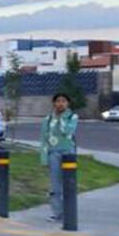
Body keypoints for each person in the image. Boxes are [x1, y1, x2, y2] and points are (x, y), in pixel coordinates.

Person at [40, 93, 78, 222]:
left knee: (68, 184)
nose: (60, 103)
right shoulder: (47, 119)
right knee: (55, 185)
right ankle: (57, 212)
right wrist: (44, 158)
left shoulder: (72, 117)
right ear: (54, 103)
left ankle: (69, 212)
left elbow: (67, 131)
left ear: (68, 104)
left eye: (63, 101)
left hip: (68, 154)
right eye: (58, 101)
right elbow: (44, 139)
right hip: (54, 153)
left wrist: (61, 118)